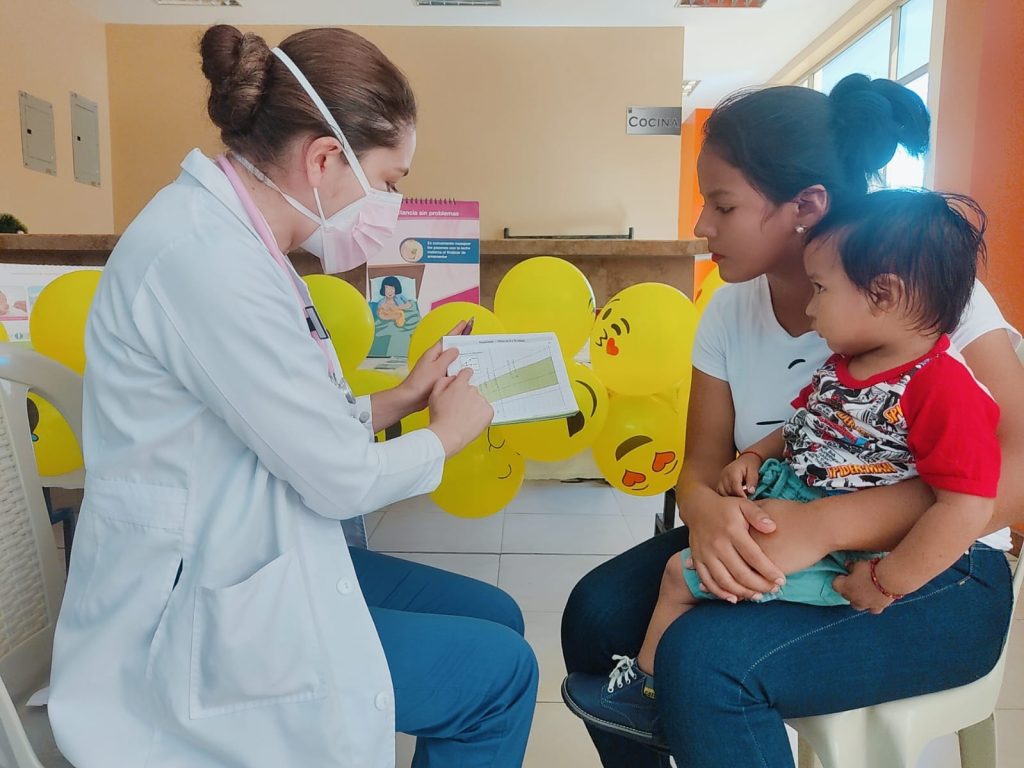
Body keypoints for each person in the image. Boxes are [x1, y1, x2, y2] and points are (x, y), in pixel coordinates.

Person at [49, 25, 537, 768]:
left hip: (255, 545)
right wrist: (445, 436)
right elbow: (337, 479)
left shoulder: (241, 242)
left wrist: (399, 400)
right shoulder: (205, 260)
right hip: (202, 604)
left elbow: (277, 420)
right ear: (324, 159)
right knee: (503, 676)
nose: (394, 205)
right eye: (392, 180)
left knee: (496, 614)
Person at [560, 73, 1024, 767]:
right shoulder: (726, 309)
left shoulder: (924, 294)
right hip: (781, 526)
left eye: (722, 204)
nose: (700, 226)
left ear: (805, 204)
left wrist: (828, 528)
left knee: (703, 662)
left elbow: (1009, 473)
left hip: (934, 573)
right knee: (594, 615)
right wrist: (712, 518)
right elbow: (701, 465)